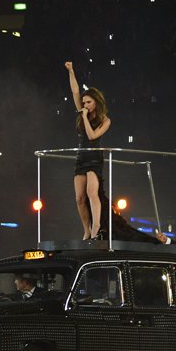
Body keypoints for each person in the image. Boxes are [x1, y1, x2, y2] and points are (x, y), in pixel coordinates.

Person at [66, 61, 111, 241]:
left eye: (88, 102)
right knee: (79, 198)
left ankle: (96, 228)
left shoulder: (105, 120)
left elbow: (92, 136)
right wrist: (71, 71)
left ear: (96, 102)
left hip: (94, 157)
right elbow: (75, 91)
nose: (84, 105)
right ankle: (86, 229)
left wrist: (84, 116)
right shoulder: (82, 110)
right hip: (81, 156)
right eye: (83, 102)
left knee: (92, 192)